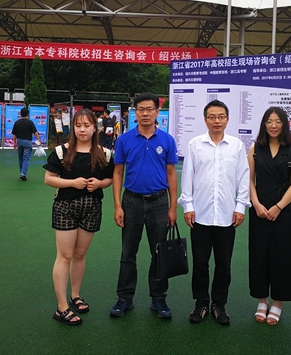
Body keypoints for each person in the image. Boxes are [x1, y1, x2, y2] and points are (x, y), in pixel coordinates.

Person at [178, 100, 250, 325]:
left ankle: (219, 304)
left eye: (221, 116)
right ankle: (201, 303)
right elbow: (187, 176)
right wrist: (188, 206)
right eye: (212, 117)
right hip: (200, 215)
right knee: (200, 264)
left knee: (223, 264)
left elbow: (244, 177)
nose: (216, 120)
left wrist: (240, 207)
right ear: (205, 120)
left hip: (227, 216)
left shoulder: (237, 146)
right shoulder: (195, 145)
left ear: (227, 119)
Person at [110, 92, 179, 319]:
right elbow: (118, 173)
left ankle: (158, 298)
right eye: (141, 109)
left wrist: (172, 207)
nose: (145, 113)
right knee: (128, 253)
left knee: (158, 253)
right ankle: (124, 298)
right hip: (131, 202)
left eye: (150, 109)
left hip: (159, 202)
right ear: (135, 113)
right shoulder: (124, 140)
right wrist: (117, 205)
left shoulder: (167, 140)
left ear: (157, 112)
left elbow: (171, 174)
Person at [43, 109, 114, 326]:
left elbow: (110, 178)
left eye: (87, 125)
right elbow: (49, 179)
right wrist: (72, 183)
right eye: (78, 125)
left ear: (95, 128)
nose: (82, 130)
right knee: (65, 256)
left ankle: (75, 295)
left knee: (80, 254)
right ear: (73, 128)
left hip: (92, 208)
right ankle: (61, 307)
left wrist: (100, 184)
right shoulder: (61, 151)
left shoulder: (105, 153)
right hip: (65, 207)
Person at [248, 107, 291, 326]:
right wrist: (256, 204)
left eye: (278, 121)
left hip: (283, 211)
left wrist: (278, 207)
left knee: (283, 256)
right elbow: (249, 180)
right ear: (264, 124)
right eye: (269, 121)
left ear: (284, 124)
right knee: (259, 255)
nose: (273, 125)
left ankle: (278, 301)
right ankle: (262, 299)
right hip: (259, 210)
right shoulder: (255, 149)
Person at [11, 107, 41, 181]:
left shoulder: (17, 123)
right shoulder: (30, 122)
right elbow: (35, 132)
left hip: (19, 141)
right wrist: (38, 140)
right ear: (27, 114)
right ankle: (23, 174)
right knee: (26, 158)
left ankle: (22, 172)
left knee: (20, 158)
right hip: (27, 142)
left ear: (20, 114)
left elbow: (14, 134)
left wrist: (14, 142)